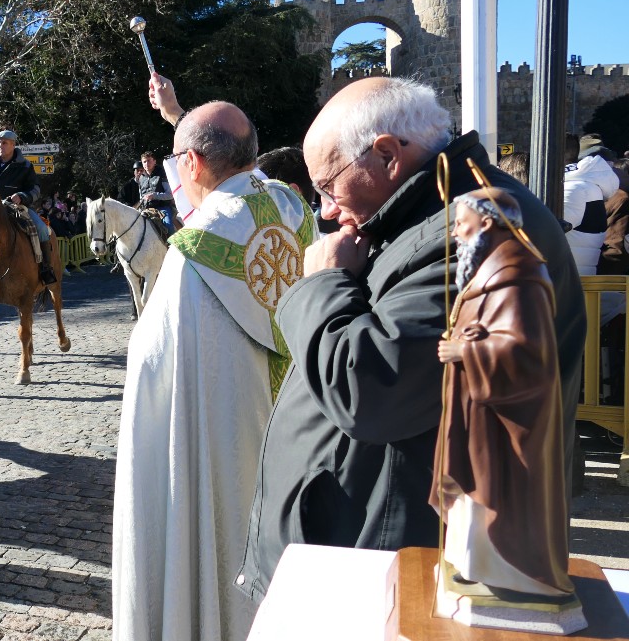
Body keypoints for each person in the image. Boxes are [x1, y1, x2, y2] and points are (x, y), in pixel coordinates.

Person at [138, 76, 583, 604]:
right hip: (362, 549)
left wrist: (321, 283)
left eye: (330, 186)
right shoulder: (417, 213)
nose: (325, 211)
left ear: (389, 155)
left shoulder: (481, 235)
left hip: (394, 567)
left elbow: (371, 390)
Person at [112, 102, 313, 641]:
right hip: (297, 435)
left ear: (193, 164)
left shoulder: (193, 256)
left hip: (222, 446)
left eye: (180, 161)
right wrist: (177, 114)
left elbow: (153, 371)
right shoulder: (292, 210)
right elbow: (227, 184)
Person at [433, 188, 575, 604]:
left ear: (488, 223)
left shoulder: (518, 277)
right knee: (474, 503)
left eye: (461, 223)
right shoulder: (490, 272)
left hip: (510, 422)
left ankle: (519, 578)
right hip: (481, 414)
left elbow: (529, 356)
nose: (456, 233)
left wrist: (466, 350)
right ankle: (480, 568)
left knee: (500, 499)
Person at [0, 129, 56, 284]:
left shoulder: (25, 165)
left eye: (5, 143)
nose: (1, 146)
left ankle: (46, 268)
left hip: (16, 208)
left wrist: (22, 196)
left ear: (13, 145)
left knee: (42, 228)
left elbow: (35, 189)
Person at [562, 133, 619, 275]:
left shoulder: (575, 189)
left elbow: (546, 232)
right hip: (569, 278)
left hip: (567, 281)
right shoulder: (582, 186)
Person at [138, 151, 176, 232]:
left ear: (154, 161)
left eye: (149, 160)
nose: (146, 163)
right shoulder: (141, 178)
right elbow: (141, 197)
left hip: (162, 208)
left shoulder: (162, 173)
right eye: (144, 161)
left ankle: (171, 244)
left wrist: (154, 195)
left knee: (168, 226)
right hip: (146, 209)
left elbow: (170, 195)